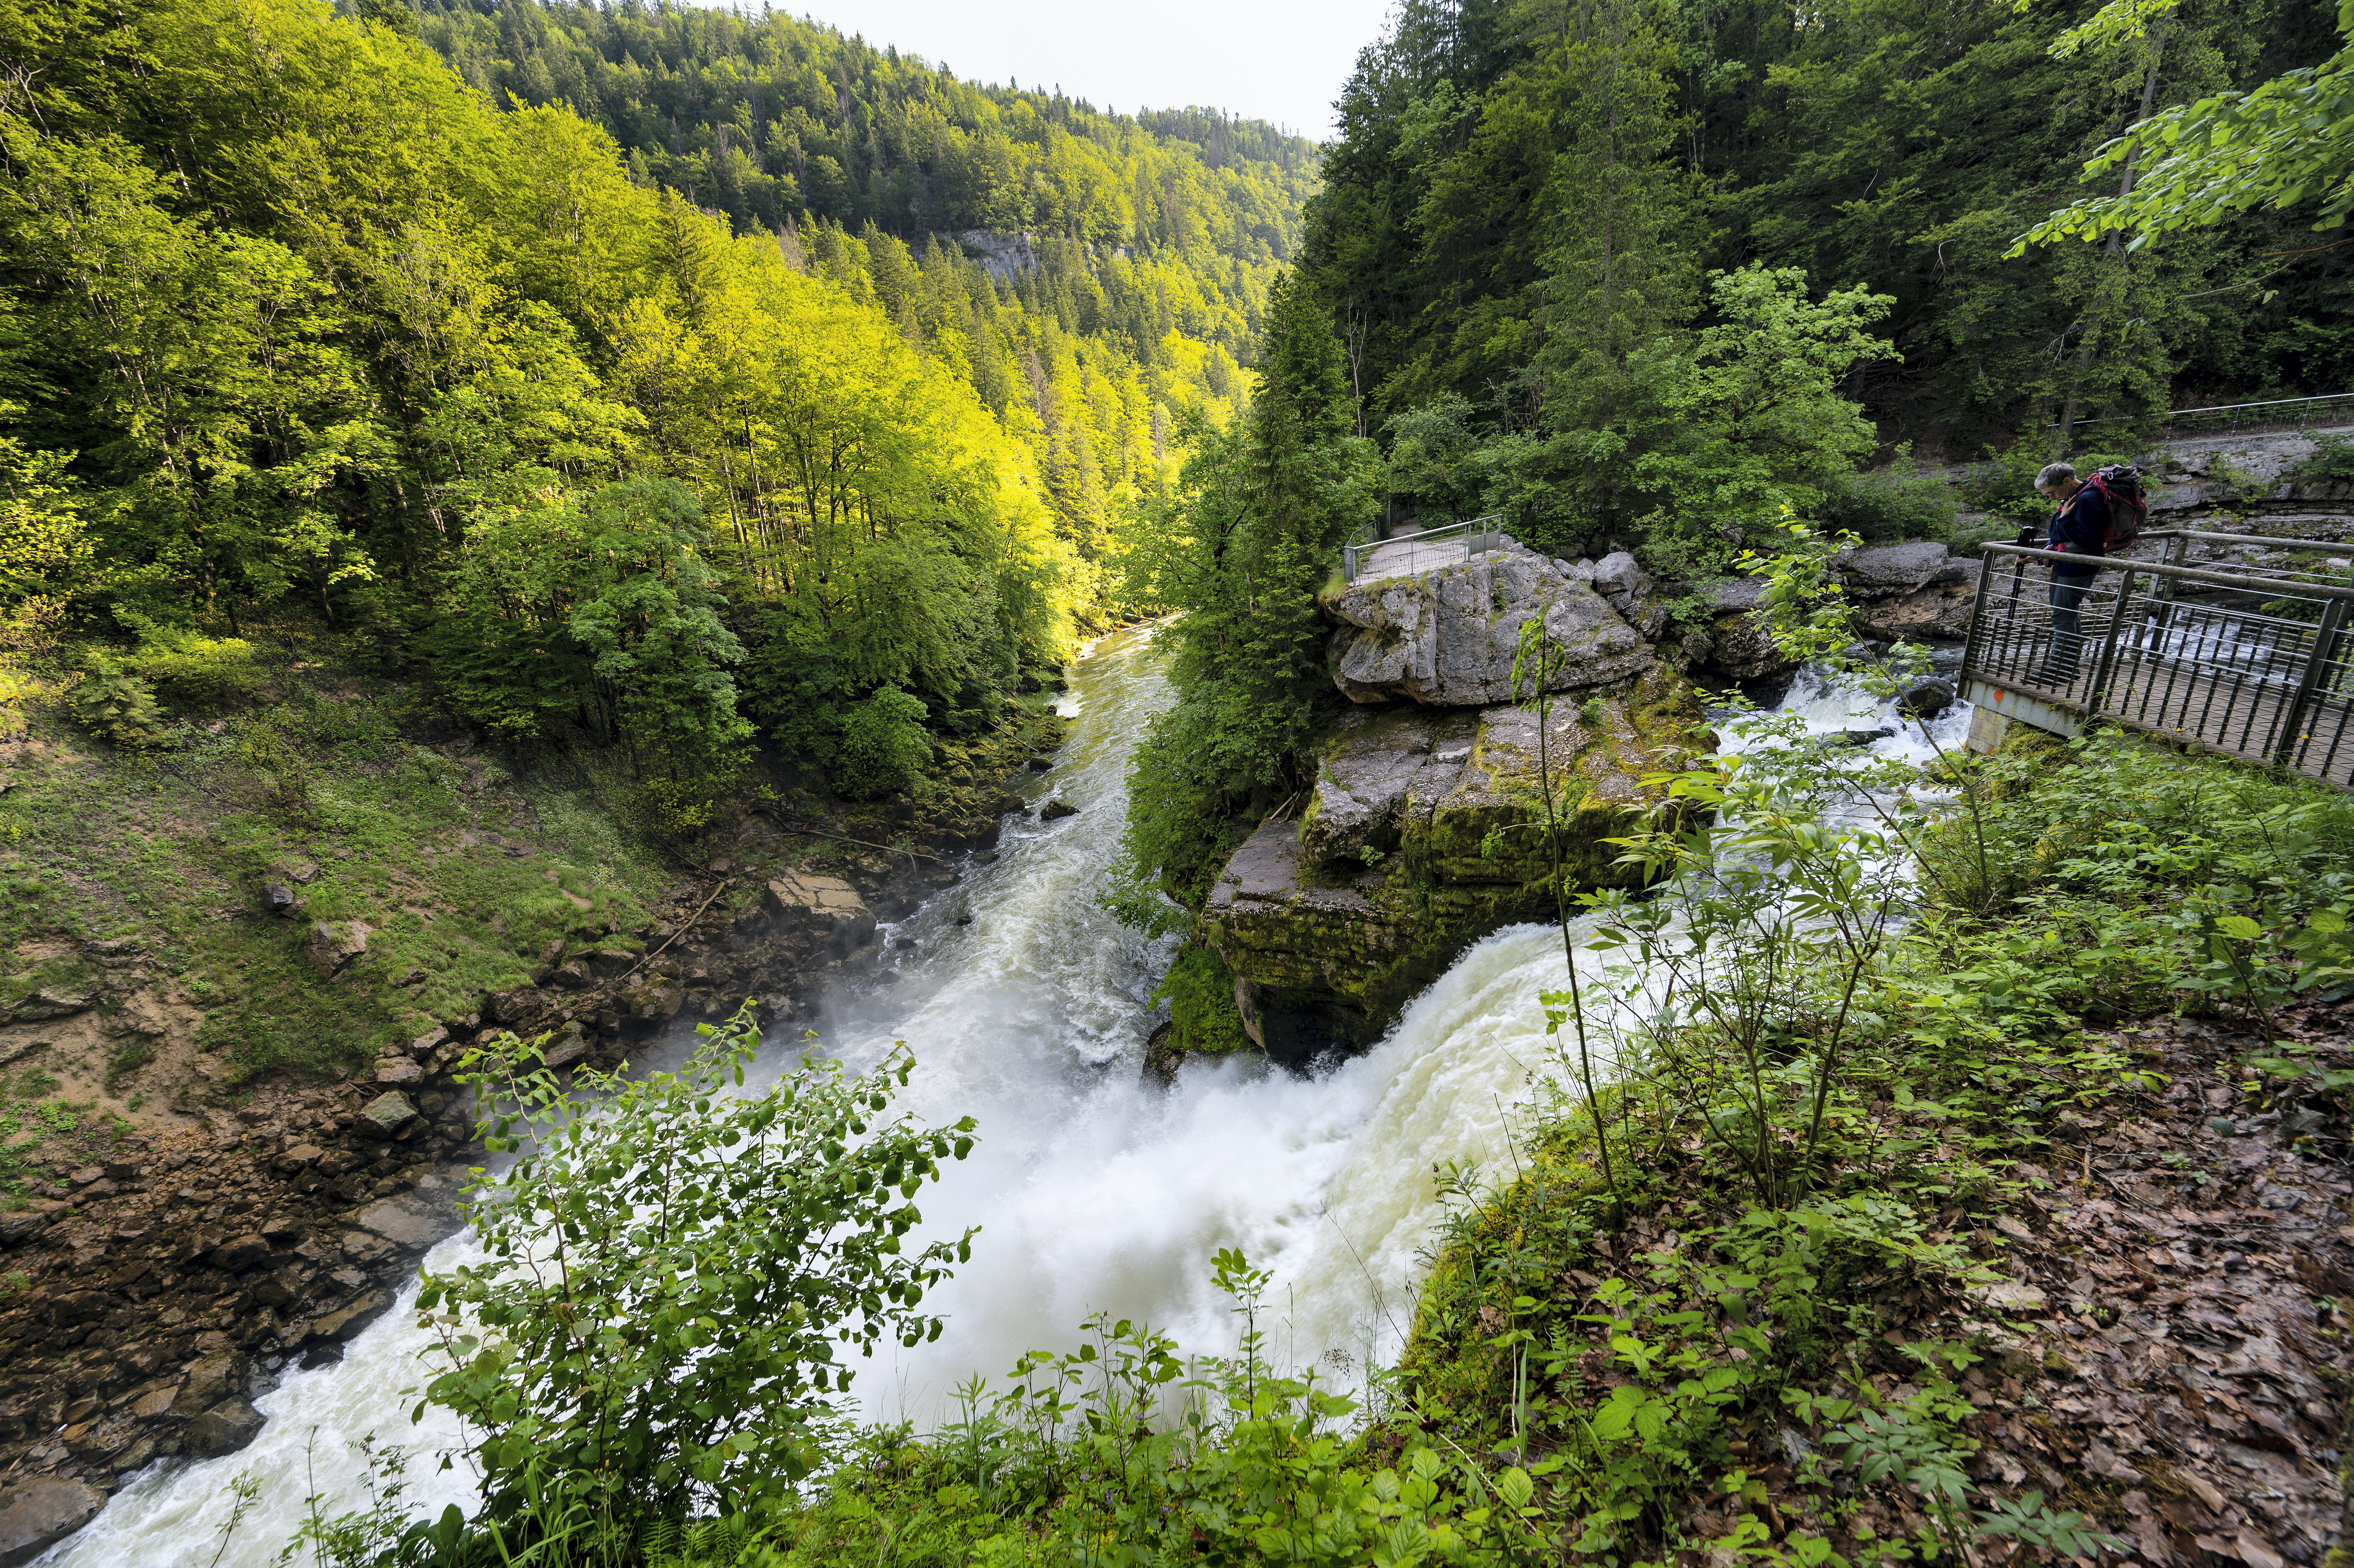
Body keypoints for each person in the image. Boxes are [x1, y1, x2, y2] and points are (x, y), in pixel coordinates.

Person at [2024, 461, 2108, 685]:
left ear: (2067, 482)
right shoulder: (2074, 497)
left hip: (2078, 565)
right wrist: (2042, 555)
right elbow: (2062, 538)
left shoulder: (2089, 499)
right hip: (2066, 562)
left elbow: (2088, 540)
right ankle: (2067, 668)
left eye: (2051, 493)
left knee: (2063, 616)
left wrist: (2065, 519)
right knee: (2066, 615)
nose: (2050, 498)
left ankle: (2058, 670)